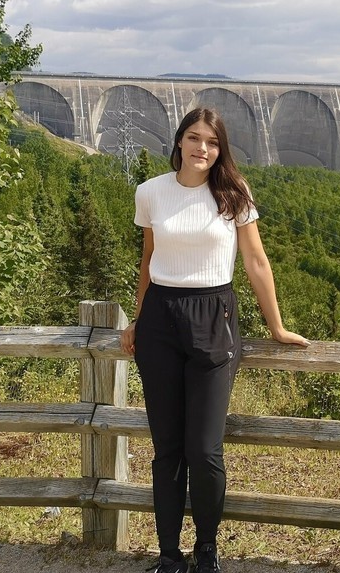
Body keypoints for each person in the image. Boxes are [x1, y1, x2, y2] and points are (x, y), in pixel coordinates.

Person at [120, 107, 310, 573]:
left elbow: (256, 261)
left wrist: (276, 327)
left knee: (204, 450)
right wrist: (138, 320)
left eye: (211, 141)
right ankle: (169, 556)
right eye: (193, 138)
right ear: (179, 141)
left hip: (214, 318)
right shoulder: (150, 192)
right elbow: (149, 260)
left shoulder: (233, 193)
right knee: (167, 450)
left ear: (220, 149)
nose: (201, 148)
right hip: (160, 321)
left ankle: (206, 549)